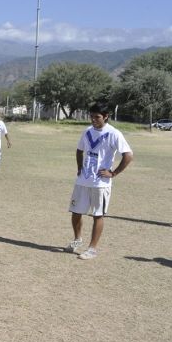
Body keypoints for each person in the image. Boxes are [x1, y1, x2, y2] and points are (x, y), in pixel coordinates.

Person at [65, 102, 133, 260]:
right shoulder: (87, 131)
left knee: (98, 215)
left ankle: (92, 249)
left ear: (106, 116)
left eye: (97, 117)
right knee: (76, 213)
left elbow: (128, 155)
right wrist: (79, 167)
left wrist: (113, 173)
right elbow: (79, 150)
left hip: (100, 184)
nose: (93, 120)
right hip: (83, 180)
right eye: (91, 116)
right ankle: (77, 240)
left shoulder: (113, 133)